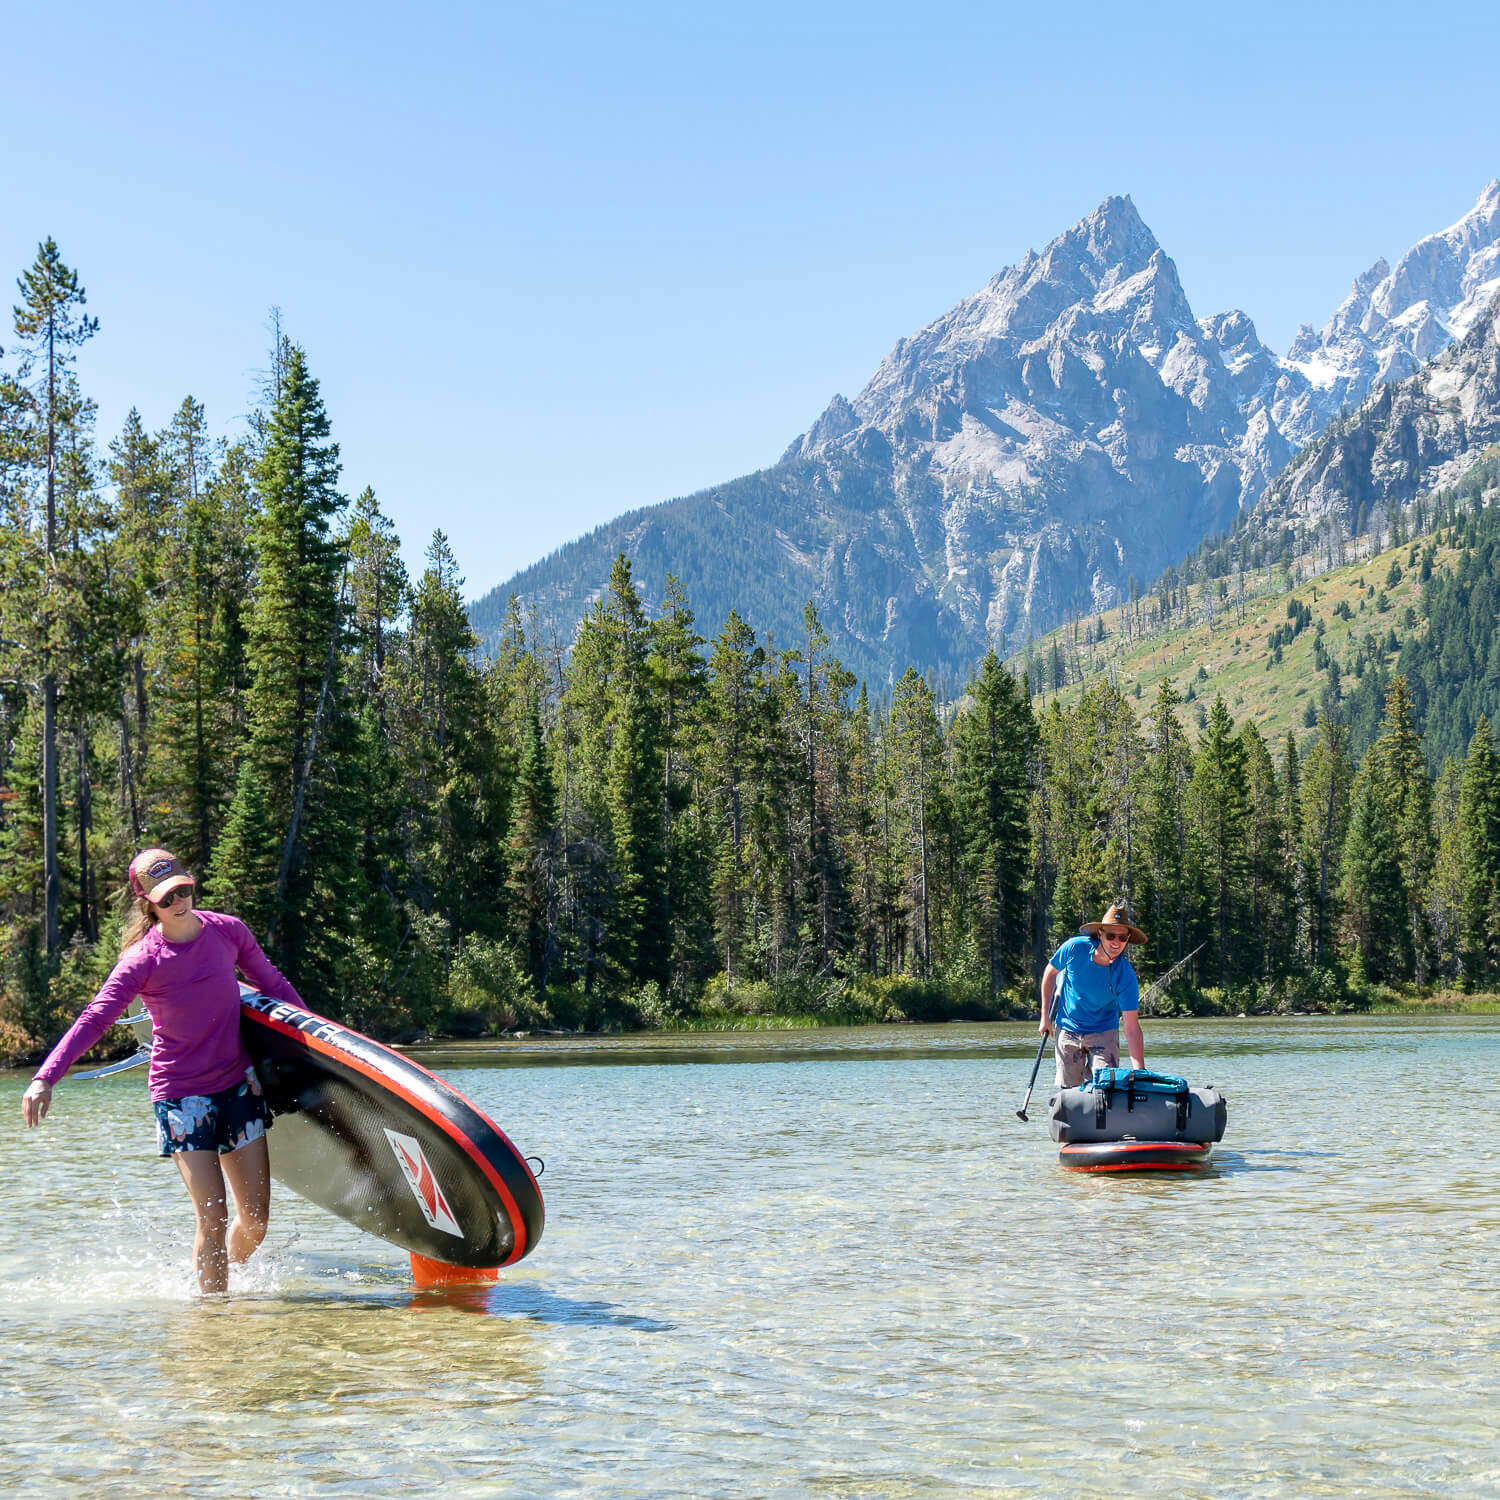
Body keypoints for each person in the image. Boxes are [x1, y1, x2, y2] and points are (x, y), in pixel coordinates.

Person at [20, 848, 304, 1295]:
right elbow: (95, 1018)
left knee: (255, 1218)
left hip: (237, 1085)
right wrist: (45, 1076)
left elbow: (272, 984)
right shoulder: (142, 960)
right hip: (180, 1096)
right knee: (213, 1215)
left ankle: (228, 1284)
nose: (179, 901)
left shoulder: (228, 932)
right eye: (167, 897)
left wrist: (319, 1038)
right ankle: (213, 1318)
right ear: (147, 903)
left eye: (183, 890)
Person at [1038, 901, 1148, 1088]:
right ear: (1100, 934)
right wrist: (1044, 1017)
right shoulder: (1075, 948)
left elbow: (1131, 1027)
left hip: (1104, 1031)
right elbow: (1050, 974)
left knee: (1105, 1090)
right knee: (1070, 1093)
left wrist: (1140, 1071)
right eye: (1111, 935)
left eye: (1122, 938)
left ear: (1128, 939)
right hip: (1068, 1028)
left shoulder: (1126, 974)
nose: (1116, 942)